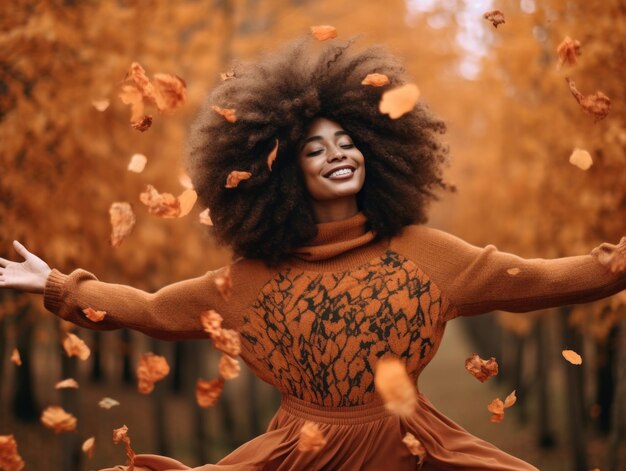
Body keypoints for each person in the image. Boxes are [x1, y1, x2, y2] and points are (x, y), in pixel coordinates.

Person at [1, 36, 625, 471]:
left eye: (347, 141)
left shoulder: (426, 255)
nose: (337, 154)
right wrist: (60, 286)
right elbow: (156, 310)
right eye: (314, 149)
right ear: (280, 172)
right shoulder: (251, 282)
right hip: (297, 455)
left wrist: (619, 262)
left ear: (378, 152)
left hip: (412, 449)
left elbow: (538, 278)